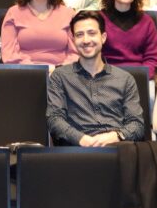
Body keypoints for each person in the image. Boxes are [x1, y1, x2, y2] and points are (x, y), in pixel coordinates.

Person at [46, 10, 147, 146]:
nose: (86, 40)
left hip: (118, 148)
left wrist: (116, 136)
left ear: (103, 37)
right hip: (77, 149)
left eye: (92, 33)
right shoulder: (60, 77)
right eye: (79, 35)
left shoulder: (125, 79)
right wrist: (81, 139)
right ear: (73, 40)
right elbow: (54, 119)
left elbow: (137, 124)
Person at [1, 0, 78, 66]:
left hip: (62, 72)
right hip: (25, 72)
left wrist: (58, 70)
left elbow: (75, 53)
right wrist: (35, 70)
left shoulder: (68, 14)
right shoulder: (13, 13)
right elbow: (9, 54)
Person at [99, 0, 157, 74]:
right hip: (107, 76)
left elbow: (152, 59)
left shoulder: (147, 22)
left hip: (138, 76)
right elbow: (93, 56)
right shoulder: (98, 19)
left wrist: (140, 76)